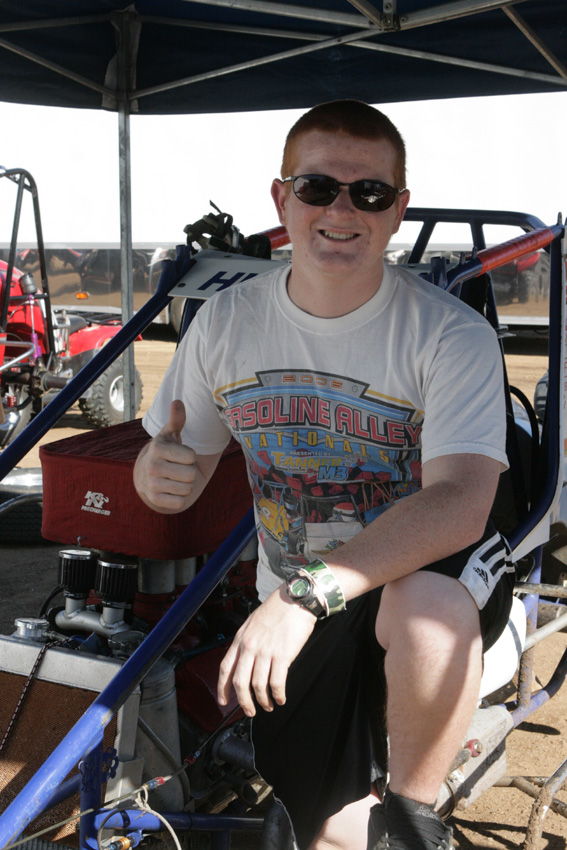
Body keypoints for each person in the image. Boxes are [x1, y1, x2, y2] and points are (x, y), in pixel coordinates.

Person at [133, 100, 515, 850]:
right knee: (328, 835)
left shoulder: (452, 334)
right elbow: (178, 460)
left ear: (397, 209)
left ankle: (412, 823)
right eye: (317, 188)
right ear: (282, 200)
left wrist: (303, 596)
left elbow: (460, 502)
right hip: (297, 604)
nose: (342, 210)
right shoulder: (224, 323)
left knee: (422, 600)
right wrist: (158, 473)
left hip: (424, 585)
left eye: (369, 193)